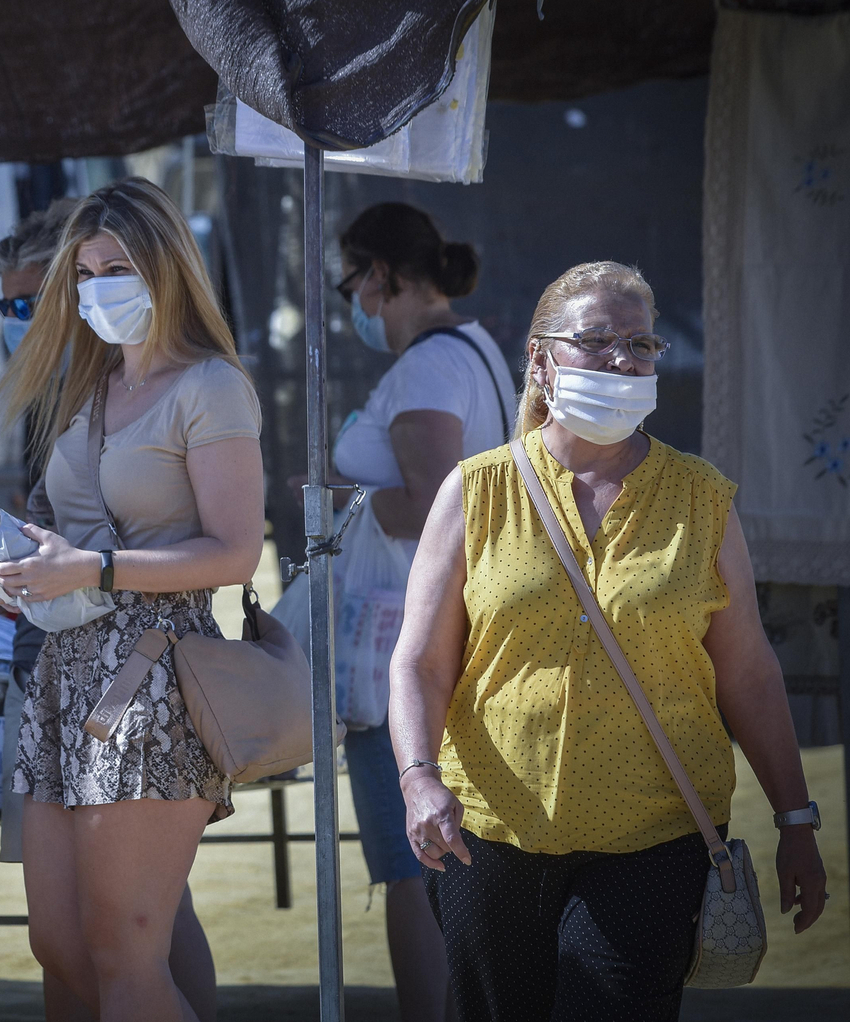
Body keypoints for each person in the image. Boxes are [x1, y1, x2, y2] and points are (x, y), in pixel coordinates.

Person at [390, 261, 828, 1021]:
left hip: (654, 836)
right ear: (541, 359)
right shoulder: (477, 489)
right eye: (596, 340)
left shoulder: (702, 497)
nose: (623, 359)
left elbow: (750, 674)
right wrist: (418, 778)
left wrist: (795, 821)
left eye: (642, 343)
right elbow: (421, 660)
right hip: (487, 833)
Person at [0, 176, 262, 1022]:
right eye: (85, 273)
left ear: (167, 268)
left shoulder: (209, 385)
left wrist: (91, 569)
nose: (96, 289)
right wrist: (12, 565)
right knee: (60, 948)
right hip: (62, 674)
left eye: (118, 268)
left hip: (152, 676)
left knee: (123, 951)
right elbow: (60, 521)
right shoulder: (90, 386)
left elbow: (236, 551)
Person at [330, 202, 514, 1022]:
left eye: (350, 287)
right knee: (450, 860)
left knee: (412, 868)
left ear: (379, 275)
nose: (354, 306)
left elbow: (439, 505)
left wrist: (337, 500)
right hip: (447, 628)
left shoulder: (426, 367)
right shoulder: (473, 349)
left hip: (403, 643)